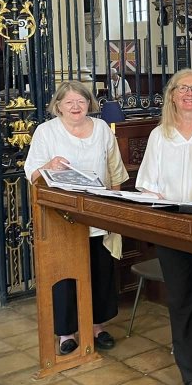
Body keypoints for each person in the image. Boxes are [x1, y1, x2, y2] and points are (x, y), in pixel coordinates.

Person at [136, 69, 192, 385]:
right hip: (170, 223)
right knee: (180, 295)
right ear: (171, 95)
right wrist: (157, 201)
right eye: (182, 88)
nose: (189, 93)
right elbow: (147, 181)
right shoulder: (161, 134)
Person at [24, 82, 128, 355]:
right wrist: (48, 166)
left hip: (97, 213)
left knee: (99, 271)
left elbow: (115, 169)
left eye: (81, 101)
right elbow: (32, 172)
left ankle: (97, 326)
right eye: (69, 102)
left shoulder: (102, 128)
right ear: (58, 106)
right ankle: (66, 333)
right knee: (65, 274)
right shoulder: (46, 132)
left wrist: (113, 206)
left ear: (89, 104)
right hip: (62, 217)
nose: (75, 107)